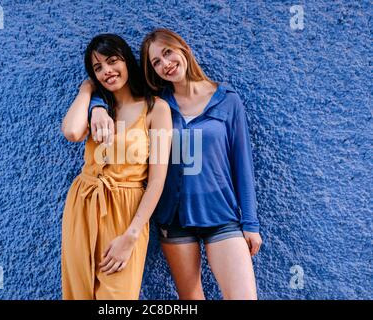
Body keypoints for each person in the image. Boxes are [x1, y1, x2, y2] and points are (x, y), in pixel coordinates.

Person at [89, 28, 263, 300]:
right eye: (156, 62)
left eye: (167, 53)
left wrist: (250, 223)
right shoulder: (158, 105)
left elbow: (243, 165)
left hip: (222, 215)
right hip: (174, 219)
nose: (165, 64)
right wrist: (96, 105)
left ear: (184, 49)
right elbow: (115, 93)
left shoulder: (228, 100)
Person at [60, 33, 172, 299]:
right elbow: (73, 133)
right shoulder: (98, 106)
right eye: (98, 68)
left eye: (112, 61)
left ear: (126, 61)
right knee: (79, 293)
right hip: (83, 203)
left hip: (126, 211)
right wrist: (87, 91)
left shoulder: (156, 109)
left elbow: (157, 180)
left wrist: (131, 236)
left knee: (117, 299)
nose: (107, 71)